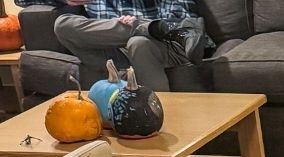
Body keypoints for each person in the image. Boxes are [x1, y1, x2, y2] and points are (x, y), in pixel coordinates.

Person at [15, 0, 207, 91]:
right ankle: (146, 28)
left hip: (161, 45)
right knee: (62, 24)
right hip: (110, 48)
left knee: (138, 42)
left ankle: (157, 118)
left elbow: (179, 18)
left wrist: (139, 21)